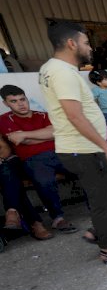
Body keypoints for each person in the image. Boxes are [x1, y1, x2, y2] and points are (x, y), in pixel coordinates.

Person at [38, 21, 107, 264]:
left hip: (87, 147)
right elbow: (74, 116)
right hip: (82, 150)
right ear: (71, 43)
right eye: (85, 42)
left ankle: (98, 230)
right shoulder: (62, 72)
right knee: (100, 200)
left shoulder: (52, 68)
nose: (90, 47)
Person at [0, 84, 77, 233]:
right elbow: (23, 141)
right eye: (14, 101)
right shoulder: (4, 119)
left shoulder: (43, 115)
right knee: (44, 180)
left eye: (22, 99)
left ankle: (98, 208)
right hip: (33, 159)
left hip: (60, 153)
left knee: (88, 167)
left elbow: (56, 132)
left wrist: (24, 134)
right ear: (6, 103)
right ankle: (58, 218)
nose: (20, 104)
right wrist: (45, 134)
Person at [0, 136, 52, 239]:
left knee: (8, 172)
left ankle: (13, 212)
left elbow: (5, 149)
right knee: (12, 180)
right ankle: (33, 222)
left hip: (8, 163)